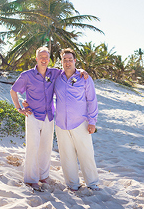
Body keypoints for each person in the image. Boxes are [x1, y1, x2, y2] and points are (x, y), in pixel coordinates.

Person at [10, 47, 89, 192]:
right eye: (41, 57)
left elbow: (69, 69)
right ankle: (31, 179)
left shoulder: (54, 73)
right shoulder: (27, 75)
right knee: (33, 147)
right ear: (36, 58)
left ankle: (43, 176)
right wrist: (19, 108)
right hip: (33, 115)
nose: (44, 59)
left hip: (49, 115)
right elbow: (13, 91)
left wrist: (82, 71)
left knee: (46, 148)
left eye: (46, 57)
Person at [53, 48, 100, 192]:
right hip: (61, 123)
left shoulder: (84, 78)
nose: (67, 62)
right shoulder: (56, 77)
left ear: (74, 61)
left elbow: (91, 100)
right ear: (61, 61)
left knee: (86, 153)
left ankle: (92, 183)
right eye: (64, 60)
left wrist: (92, 121)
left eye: (70, 59)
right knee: (66, 155)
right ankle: (72, 184)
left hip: (80, 122)